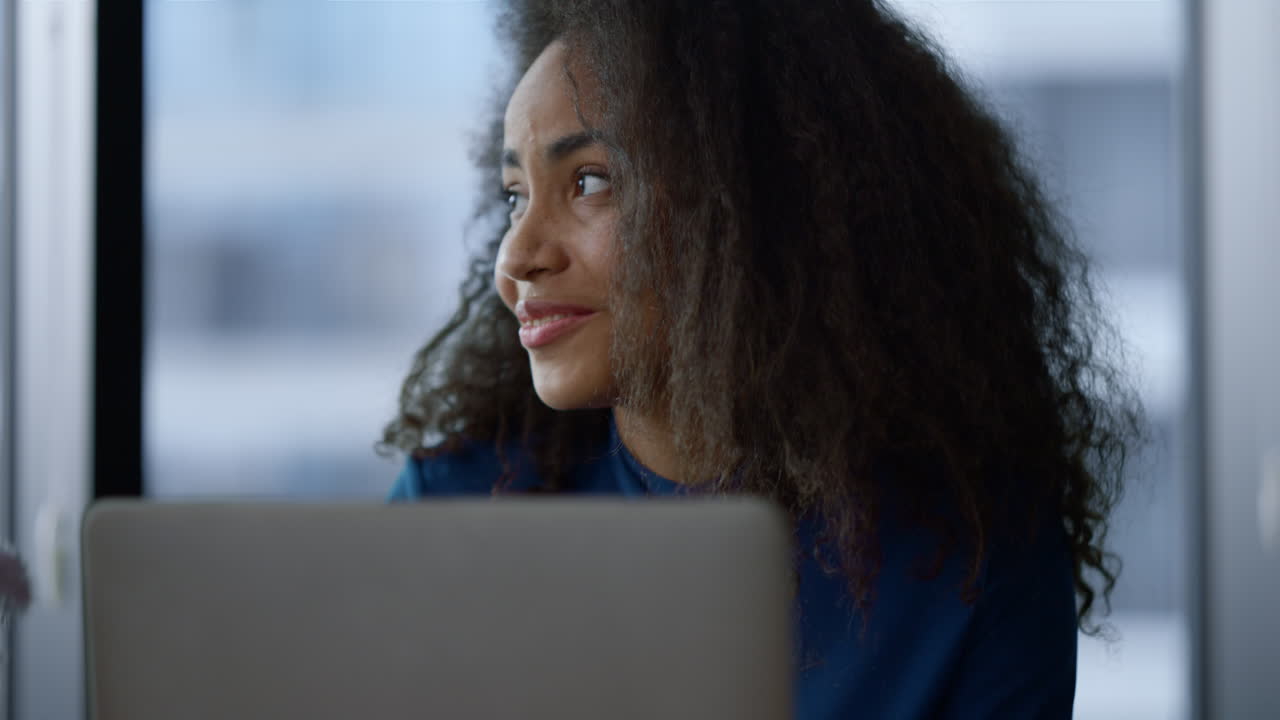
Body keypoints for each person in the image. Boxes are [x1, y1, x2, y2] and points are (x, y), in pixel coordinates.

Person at [384, 1, 1141, 717]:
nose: (516, 258)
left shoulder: (973, 561)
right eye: (515, 195)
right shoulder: (453, 508)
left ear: (760, 203)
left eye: (589, 182)